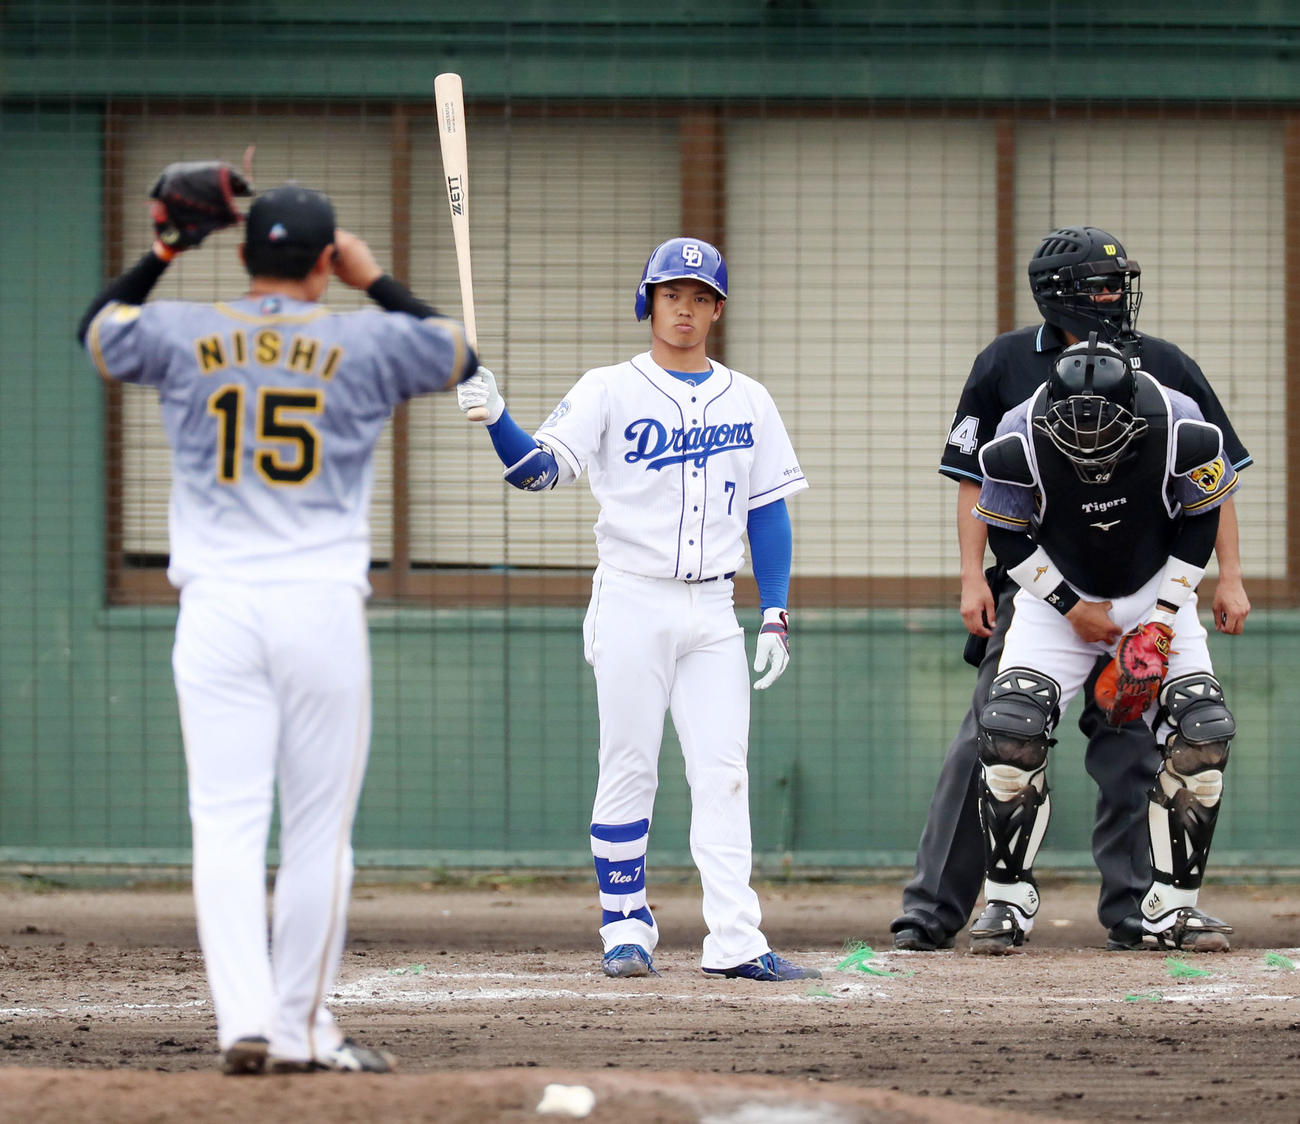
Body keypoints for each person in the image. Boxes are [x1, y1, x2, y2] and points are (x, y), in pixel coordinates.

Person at [78, 174, 477, 1073]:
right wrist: (373, 279)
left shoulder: (184, 330)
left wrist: (171, 249)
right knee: (315, 832)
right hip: (317, 608)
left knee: (223, 822)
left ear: (248, 252)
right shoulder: (368, 338)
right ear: (325, 263)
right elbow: (459, 353)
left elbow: (96, 332)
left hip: (214, 607)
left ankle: (244, 1020)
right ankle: (298, 1026)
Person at [455, 237, 820, 982]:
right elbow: (537, 472)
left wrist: (775, 610)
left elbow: (768, 513)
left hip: (715, 607)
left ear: (717, 309)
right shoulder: (608, 388)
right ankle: (625, 924)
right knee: (628, 765)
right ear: (648, 302)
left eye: (698, 297)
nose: (684, 309)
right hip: (631, 597)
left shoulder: (748, 398)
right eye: (671, 294)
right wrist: (496, 416)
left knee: (723, 772)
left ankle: (736, 941)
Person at [891, 226, 1252, 953]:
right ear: (1059, 293)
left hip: (1149, 590)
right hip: (1039, 587)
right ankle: (935, 913)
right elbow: (976, 485)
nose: (1117, 298)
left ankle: (1138, 910)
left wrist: (1229, 577)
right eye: (1103, 286)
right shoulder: (1003, 364)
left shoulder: (1166, 367)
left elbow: (1211, 484)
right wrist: (973, 579)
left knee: (1136, 751)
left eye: (1120, 286)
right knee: (997, 737)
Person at [966, 333, 1239, 954]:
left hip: (1155, 586)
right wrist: (1072, 608)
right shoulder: (1017, 434)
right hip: (1055, 593)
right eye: (1075, 426)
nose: (1089, 441)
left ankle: (1173, 906)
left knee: (1203, 730)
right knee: (1012, 726)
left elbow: (1201, 516)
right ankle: (1007, 899)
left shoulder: (1179, 423)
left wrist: (1164, 616)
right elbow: (1007, 536)